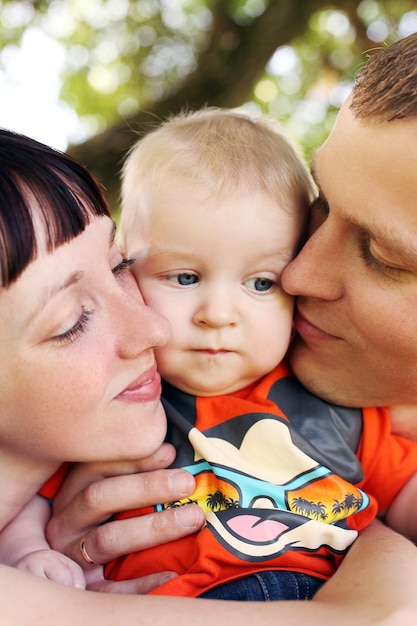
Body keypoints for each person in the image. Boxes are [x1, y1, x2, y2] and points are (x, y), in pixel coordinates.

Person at [2, 35, 417, 626]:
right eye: (320, 213)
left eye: (383, 254)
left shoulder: (346, 417)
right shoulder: (121, 404)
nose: (300, 276)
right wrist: (32, 554)